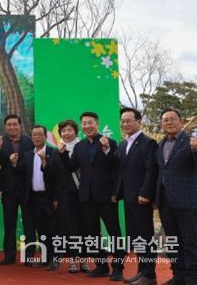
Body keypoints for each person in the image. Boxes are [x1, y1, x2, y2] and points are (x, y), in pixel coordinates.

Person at [58, 111, 124, 281]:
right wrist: (63, 153)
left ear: (97, 124)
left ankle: (118, 268)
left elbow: (116, 167)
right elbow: (71, 167)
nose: (87, 126)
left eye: (90, 123)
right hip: (86, 197)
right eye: (84, 123)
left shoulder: (109, 142)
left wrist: (107, 149)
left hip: (107, 196)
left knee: (114, 232)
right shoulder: (79, 146)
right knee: (92, 234)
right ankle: (101, 266)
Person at [113, 107, 158, 285]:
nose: (125, 124)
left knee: (145, 237)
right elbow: (120, 171)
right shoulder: (123, 144)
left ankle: (150, 275)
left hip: (141, 198)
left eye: (129, 120)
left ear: (138, 121)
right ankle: (142, 272)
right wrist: (117, 193)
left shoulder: (148, 143)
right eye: (123, 121)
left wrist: (145, 193)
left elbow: (151, 170)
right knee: (137, 237)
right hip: (128, 197)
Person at [155, 108, 197, 285]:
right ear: (161, 124)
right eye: (165, 120)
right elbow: (161, 172)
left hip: (187, 200)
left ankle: (192, 278)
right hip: (165, 201)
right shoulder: (160, 144)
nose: (169, 122)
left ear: (181, 121)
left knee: (190, 241)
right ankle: (178, 274)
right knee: (172, 240)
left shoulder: (191, 142)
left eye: (173, 119)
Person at [16, 125, 58, 269]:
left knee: (53, 229)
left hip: (49, 197)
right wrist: (14, 163)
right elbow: (22, 173)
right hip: (34, 197)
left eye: (40, 134)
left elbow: (56, 177)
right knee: (41, 230)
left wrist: (56, 197)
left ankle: (55, 259)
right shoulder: (28, 154)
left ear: (45, 137)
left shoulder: (53, 153)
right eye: (34, 135)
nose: (36, 137)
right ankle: (45, 258)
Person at [0, 113, 34, 266]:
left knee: (29, 224)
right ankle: (9, 256)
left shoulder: (29, 141)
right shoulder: (0, 142)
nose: (12, 127)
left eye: (15, 124)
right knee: (9, 224)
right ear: (5, 127)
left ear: (20, 125)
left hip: (26, 188)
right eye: (9, 125)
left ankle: (29, 256)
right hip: (8, 188)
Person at [55, 119, 89, 274]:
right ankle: (73, 259)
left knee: (85, 226)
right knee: (71, 227)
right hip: (66, 194)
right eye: (63, 131)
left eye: (69, 130)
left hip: (84, 192)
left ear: (76, 131)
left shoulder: (83, 146)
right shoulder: (57, 150)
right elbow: (54, 176)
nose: (66, 133)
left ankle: (84, 259)